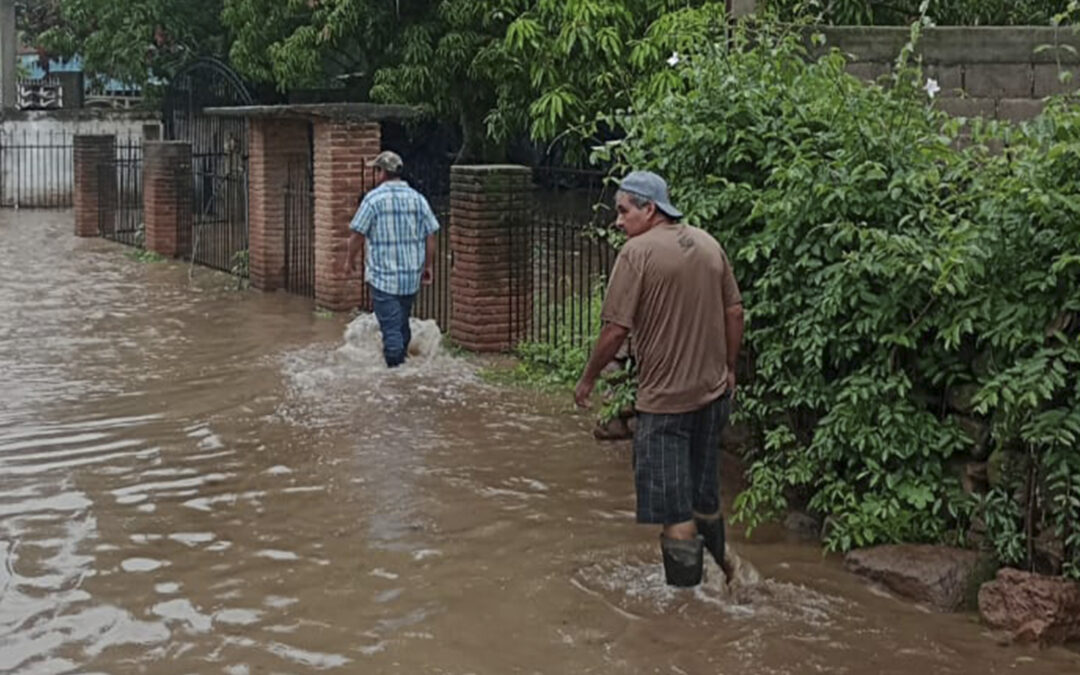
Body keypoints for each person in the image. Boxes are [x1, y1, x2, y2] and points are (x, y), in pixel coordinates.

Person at [575, 170, 744, 587]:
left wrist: (587, 379)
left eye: (623, 210)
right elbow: (735, 312)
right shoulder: (708, 244)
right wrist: (730, 369)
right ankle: (728, 570)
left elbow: (615, 329)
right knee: (704, 497)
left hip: (665, 405)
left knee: (675, 513)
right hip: (712, 394)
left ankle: (685, 609)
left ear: (650, 209)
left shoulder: (637, 254)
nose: (617, 221)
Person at [341, 151, 439, 367]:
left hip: (383, 277)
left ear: (382, 172)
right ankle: (405, 367)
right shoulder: (417, 199)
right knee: (401, 325)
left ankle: (396, 380)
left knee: (392, 333)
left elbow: (357, 235)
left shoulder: (373, 200)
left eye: (376, 170)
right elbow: (430, 234)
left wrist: (350, 261)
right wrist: (428, 266)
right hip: (410, 277)